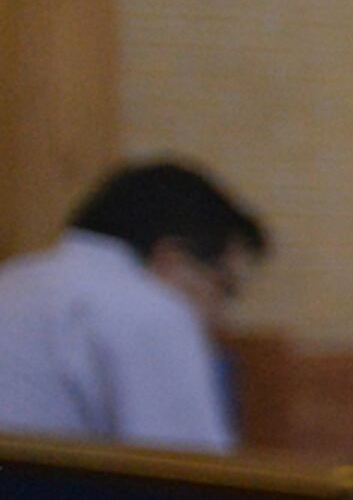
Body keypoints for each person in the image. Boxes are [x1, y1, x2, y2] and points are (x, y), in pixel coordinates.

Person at [0, 158, 268, 452]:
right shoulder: (148, 308)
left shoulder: (13, 278)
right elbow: (193, 476)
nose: (222, 317)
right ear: (172, 259)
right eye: (225, 287)